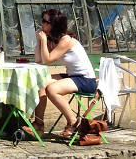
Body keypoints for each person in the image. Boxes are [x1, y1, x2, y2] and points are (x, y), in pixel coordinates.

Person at [27, 8, 96, 137]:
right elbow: (38, 60)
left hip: (86, 79)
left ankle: (73, 122)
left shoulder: (66, 40)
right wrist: (39, 41)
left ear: (53, 25)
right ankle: (39, 125)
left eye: (45, 21)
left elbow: (47, 61)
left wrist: (42, 41)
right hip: (72, 76)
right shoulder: (52, 39)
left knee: (52, 89)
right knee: (40, 82)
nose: (42, 23)